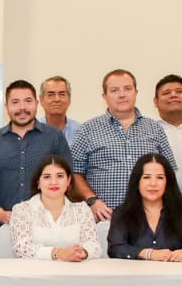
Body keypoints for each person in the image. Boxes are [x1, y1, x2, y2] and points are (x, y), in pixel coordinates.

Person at [70, 69, 174, 222]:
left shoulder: (155, 128)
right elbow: (74, 172)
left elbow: (169, 171)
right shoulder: (87, 129)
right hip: (104, 218)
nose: (122, 95)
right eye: (114, 90)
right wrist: (92, 200)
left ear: (136, 92)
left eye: (127, 88)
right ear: (105, 96)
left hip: (148, 219)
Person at [0, 81, 70, 226]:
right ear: (6, 106)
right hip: (1, 224)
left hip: (46, 223)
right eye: (15, 102)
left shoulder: (54, 137)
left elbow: (67, 176)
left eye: (28, 101)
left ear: (36, 103)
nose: (22, 107)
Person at [107, 153, 182, 260]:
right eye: (146, 177)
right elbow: (115, 248)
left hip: (174, 270)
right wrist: (147, 254)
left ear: (167, 182)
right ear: (137, 181)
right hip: (136, 270)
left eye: (160, 177)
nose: (153, 183)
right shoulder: (123, 212)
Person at [10, 153, 99, 261]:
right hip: (35, 270)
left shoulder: (82, 209)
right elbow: (21, 249)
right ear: (38, 183)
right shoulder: (22, 210)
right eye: (47, 177)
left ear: (68, 180)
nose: (54, 182)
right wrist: (58, 253)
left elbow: (94, 246)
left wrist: (81, 253)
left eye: (60, 176)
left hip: (74, 268)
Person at [39, 76, 81, 145]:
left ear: (69, 100)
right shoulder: (32, 131)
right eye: (51, 95)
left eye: (62, 94)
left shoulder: (80, 132)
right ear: (41, 100)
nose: (57, 99)